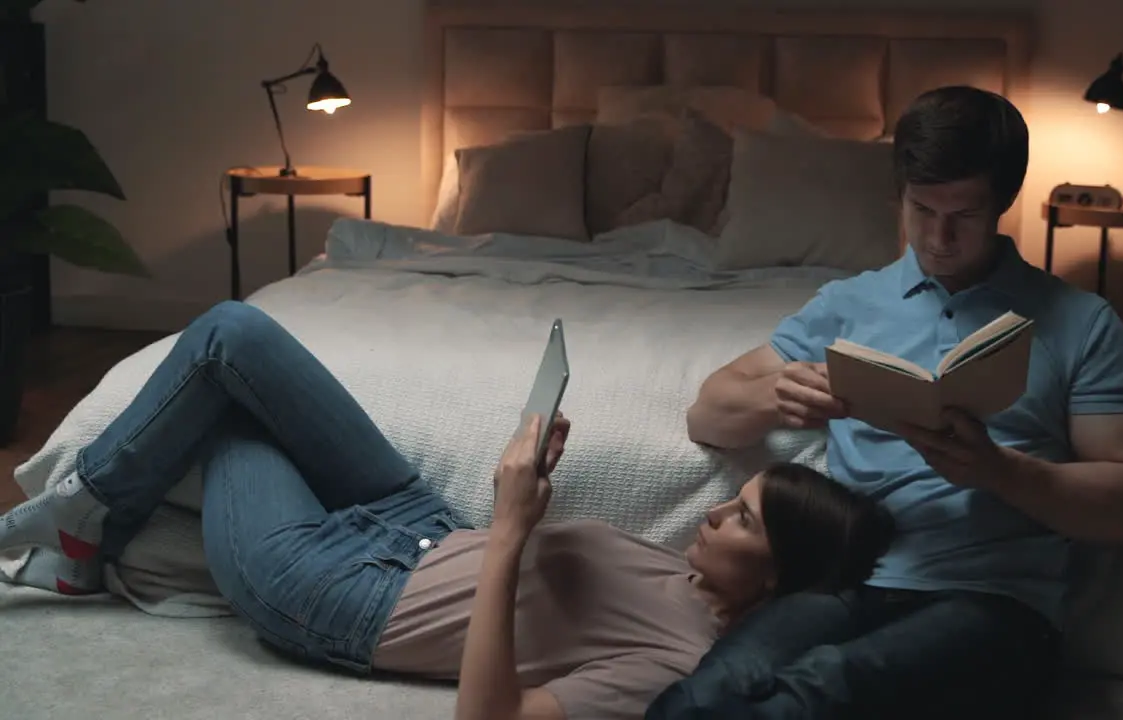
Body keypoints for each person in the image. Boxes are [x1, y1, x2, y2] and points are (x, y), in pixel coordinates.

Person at [0, 300, 895, 720]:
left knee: (224, 412)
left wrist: (510, 532)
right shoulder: (690, 572)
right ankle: (89, 519)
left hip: (337, 593)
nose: (711, 517)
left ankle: (84, 521)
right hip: (411, 518)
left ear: (778, 580)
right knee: (234, 335)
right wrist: (532, 481)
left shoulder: (679, 665)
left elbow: (489, 719)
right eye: (730, 502)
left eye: (740, 521)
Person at [656, 85, 1123, 719]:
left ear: (1003, 202)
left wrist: (999, 470)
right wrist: (774, 395)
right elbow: (707, 413)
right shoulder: (848, 304)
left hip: (995, 602)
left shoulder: (1082, 322)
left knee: (813, 691)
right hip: (851, 585)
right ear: (899, 194)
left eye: (964, 215)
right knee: (707, 694)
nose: (939, 237)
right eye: (922, 210)